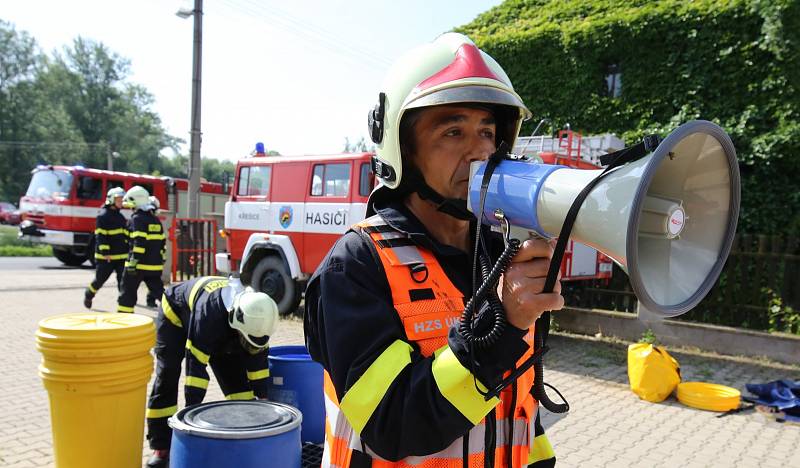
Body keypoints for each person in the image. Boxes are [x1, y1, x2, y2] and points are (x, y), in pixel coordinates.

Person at [303, 33, 564, 467]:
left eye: (487, 131)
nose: (480, 149)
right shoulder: (356, 265)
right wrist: (502, 324)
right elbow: (394, 425)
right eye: (453, 131)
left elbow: (519, 412)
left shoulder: (497, 256)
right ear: (404, 148)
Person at [145, 276, 278, 468]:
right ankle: (161, 447)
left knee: (241, 391)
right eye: (248, 342)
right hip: (176, 314)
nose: (251, 347)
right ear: (236, 321)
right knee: (168, 375)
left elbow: (257, 363)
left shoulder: (257, 318)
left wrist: (263, 402)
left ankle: (242, 443)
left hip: (226, 329)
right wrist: (190, 424)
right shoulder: (208, 317)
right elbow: (195, 370)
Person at [117, 186, 166, 313]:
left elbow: (139, 243)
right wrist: (161, 259)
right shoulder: (155, 220)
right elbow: (162, 243)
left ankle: (124, 317)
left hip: (138, 266)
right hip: (154, 266)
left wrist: (133, 261)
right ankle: (179, 314)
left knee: (127, 292)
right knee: (161, 293)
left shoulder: (137, 219)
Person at [84, 187, 128, 309]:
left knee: (122, 281)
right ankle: (89, 294)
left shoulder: (120, 217)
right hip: (106, 257)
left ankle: (122, 304)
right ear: (111, 200)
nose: (121, 202)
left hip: (121, 256)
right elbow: (100, 237)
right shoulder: (103, 217)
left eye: (121, 200)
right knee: (99, 280)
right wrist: (105, 252)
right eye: (118, 200)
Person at [145, 195, 162, 308]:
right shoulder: (155, 221)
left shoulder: (141, 219)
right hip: (153, 258)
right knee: (154, 281)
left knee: (153, 281)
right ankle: (151, 300)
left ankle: (150, 300)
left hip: (148, 257)